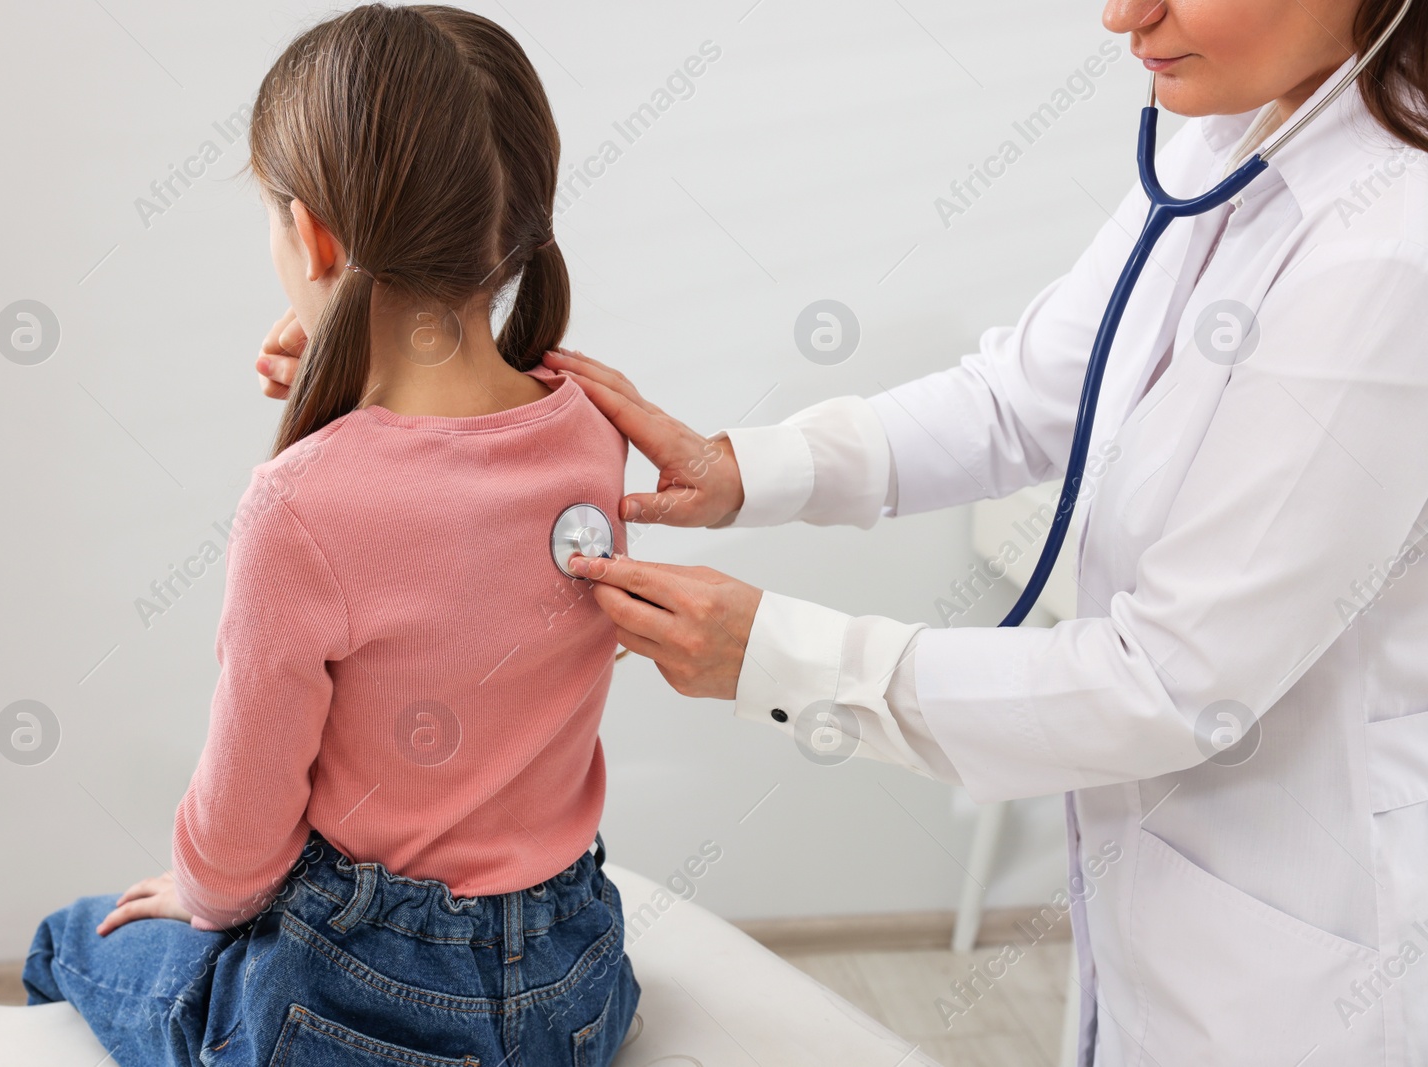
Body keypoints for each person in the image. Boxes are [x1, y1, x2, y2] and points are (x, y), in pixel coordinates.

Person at [257, 0, 1428, 1063]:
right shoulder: (1231, 125)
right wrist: (738, 469)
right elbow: (1023, 396)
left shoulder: (1387, 254)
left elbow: (1169, 682)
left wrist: (771, 655)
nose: (1123, 13)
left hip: (1313, 942)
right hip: (1141, 901)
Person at [22, 7, 639, 1066]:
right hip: (576, 979)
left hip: (365, 1002)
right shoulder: (590, 425)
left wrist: (205, 891)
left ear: (312, 235)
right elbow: (455, 495)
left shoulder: (301, 504)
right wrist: (356, 342)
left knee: (68, 941)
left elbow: (243, 838)